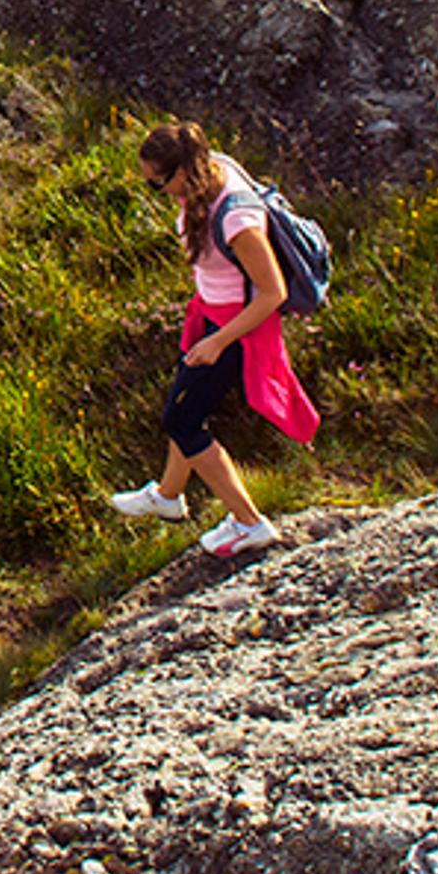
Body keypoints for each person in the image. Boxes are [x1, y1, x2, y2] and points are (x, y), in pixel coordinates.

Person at [108, 120, 302, 559]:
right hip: (211, 318)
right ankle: (168, 496)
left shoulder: (236, 217)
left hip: (238, 330)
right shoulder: (207, 178)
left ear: (184, 171)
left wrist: (219, 342)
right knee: (185, 402)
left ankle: (250, 522)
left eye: (160, 183)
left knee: (181, 420)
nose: (160, 192)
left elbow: (273, 293)